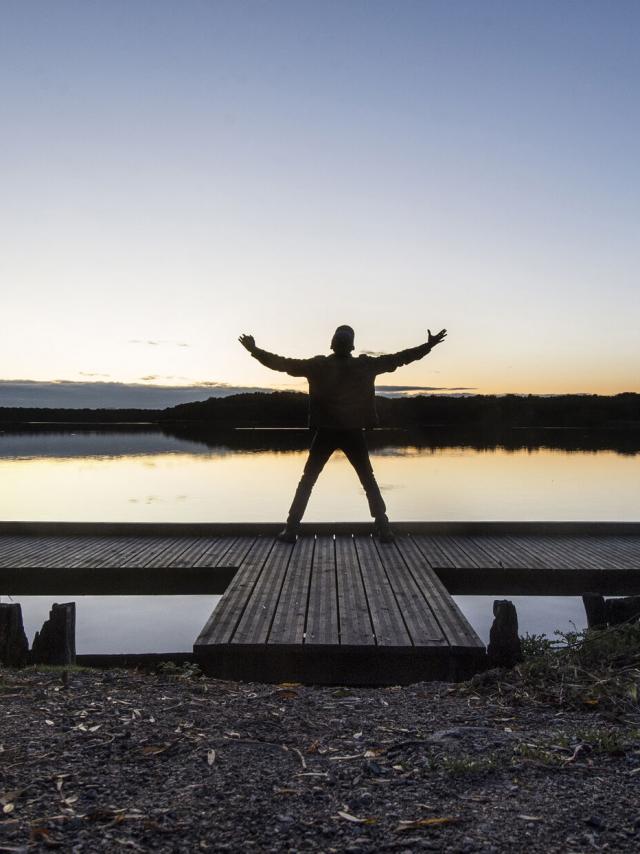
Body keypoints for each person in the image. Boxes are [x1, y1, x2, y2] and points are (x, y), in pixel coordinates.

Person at [239, 325, 447, 542]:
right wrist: (428, 346)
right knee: (367, 480)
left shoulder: (318, 366)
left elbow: (281, 364)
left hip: (327, 431)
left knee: (308, 480)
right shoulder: (365, 366)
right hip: (352, 431)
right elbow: (401, 358)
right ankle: (384, 528)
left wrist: (254, 350)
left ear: (333, 343)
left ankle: (291, 529)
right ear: (352, 345)